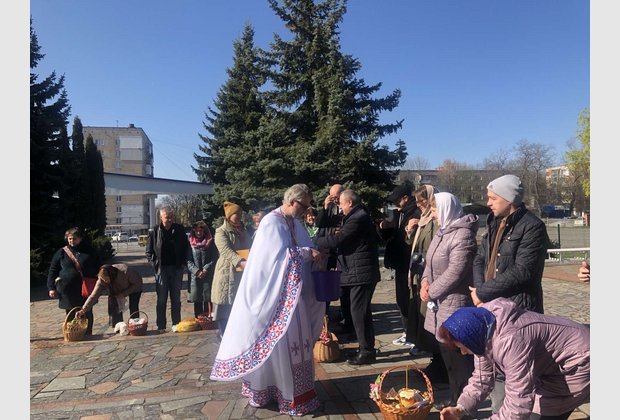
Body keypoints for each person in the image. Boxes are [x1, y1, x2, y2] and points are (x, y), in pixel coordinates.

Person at [210, 184, 324, 416]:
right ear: (291, 201)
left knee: (293, 347)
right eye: (303, 206)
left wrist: (314, 251)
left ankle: (293, 393)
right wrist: (305, 253)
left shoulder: (294, 223)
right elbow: (274, 260)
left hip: (293, 296)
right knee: (276, 348)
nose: (305, 210)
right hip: (274, 300)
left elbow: (303, 247)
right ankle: (277, 393)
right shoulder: (272, 223)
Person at [470, 174, 551, 412]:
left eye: (493, 198)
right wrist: (479, 292)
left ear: (509, 199)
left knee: (516, 374)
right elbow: (479, 259)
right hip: (490, 307)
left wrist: (482, 292)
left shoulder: (532, 226)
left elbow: (523, 271)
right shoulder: (493, 222)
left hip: (518, 309)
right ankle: (500, 412)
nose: (488, 203)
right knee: (494, 365)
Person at [437, 298, 590, 420]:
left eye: (462, 347)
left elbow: (519, 400)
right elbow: (481, 379)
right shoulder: (481, 330)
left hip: (578, 360)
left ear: (470, 338)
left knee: (544, 412)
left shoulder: (511, 340)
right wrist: (460, 409)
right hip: (552, 366)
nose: (463, 352)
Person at [419, 192, 478, 406]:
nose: (433, 214)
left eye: (435, 209)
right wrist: (424, 282)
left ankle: (463, 406)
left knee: (459, 360)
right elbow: (429, 262)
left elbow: (456, 272)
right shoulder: (442, 232)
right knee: (448, 360)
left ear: (447, 209)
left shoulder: (463, 235)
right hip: (439, 305)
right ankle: (454, 401)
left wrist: (432, 290)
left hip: (454, 305)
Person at [314, 189, 381, 365]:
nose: (340, 207)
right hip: (358, 272)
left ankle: (366, 352)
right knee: (361, 312)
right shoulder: (355, 216)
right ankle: (365, 348)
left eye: (342, 204)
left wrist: (314, 241)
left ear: (350, 202)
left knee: (359, 313)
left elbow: (338, 240)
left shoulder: (357, 218)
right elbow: (327, 224)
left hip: (360, 273)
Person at [404, 185, 448, 382]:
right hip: (420, 275)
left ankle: (440, 364)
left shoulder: (437, 222)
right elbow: (414, 245)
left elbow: (433, 249)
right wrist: (410, 231)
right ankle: (435, 360)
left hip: (432, 277)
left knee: (432, 320)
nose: (420, 205)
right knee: (423, 319)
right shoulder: (423, 219)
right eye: (418, 202)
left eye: (423, 202)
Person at [379, 183, 421, 347]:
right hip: (400, 263)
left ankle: (413, 334)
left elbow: (410, 239)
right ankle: (407, 331)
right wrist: (384, 228)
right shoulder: (399, 214)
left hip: (408, 262)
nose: (395, 203)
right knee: (402, 299)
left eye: (397, 200)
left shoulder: (414, 212)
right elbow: (392, 237)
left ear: (406, 198)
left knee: (409, 300)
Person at [47, 227, 101, 336]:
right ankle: (73, 334)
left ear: (80, 238)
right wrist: (51, 287)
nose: (72, 241)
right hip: (67, 289)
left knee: (86, 310)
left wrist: (97, 280)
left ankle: (87, 333)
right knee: (70, 312)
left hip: (85, 288)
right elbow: (53, 270)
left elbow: (98, 266)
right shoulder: (62, 252)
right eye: (70, 239)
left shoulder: (90, 251)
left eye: (74, 239)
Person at [210, 201, 253, 338]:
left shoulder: (244, 231)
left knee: (239, 305)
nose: (239, 216)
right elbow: (226, 251)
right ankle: (223, 335)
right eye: (236, 214)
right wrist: (240, 262)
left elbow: (250, 246)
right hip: (227, 273)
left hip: (243, 273)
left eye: (240, 213)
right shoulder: (221, 232)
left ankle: (237, 335)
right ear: (229, 216)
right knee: (225, 305)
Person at [145, 206, 190, 333]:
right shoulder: (154, 231)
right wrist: (154, 264)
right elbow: (149, 252)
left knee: (176, 299)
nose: (169, 219)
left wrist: (183, 263)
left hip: (176, 269)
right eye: (166, 217)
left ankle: (176, 324)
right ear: (161, 217)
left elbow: (186, 247)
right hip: (161, 270)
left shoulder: (179, 229)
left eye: (171, 217)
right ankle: (161, 326)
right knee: (161, 299)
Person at [315, 183, 349, 328]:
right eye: (332, 196)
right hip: (329, 252)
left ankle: (347, 318)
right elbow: (319, 223)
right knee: (327, 284)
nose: (334, 199)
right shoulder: (330, 208)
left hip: (343, 253)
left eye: (336, 196)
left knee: (345, 288)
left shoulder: (348, 207)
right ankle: (325, 315)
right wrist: (325, 207)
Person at [75, 263, 143, 327]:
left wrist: (123, 294)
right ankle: (118, 325)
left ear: (110, 275)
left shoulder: (126, 271)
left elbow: (137, 284)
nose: (106, 282)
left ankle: (135, 325)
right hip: (117, 290)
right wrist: (83, 310)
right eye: (104, 280)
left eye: (107, 279)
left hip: (135, 287)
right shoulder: (101, 280)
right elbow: (93, 296)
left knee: (133, 306)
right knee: (114, 301)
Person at [187, 220, 219, 318]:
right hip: (195, 276)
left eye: (200, 231)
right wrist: (196, 271)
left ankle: (208, 320)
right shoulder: (190, 243)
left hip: (208, 275)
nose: (198, 233)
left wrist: (206, 269)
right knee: (197, 300)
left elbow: (214, 258)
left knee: (207, 299)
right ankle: (198, 320)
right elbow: (188, 260)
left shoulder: (211, 242)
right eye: (196, 231)